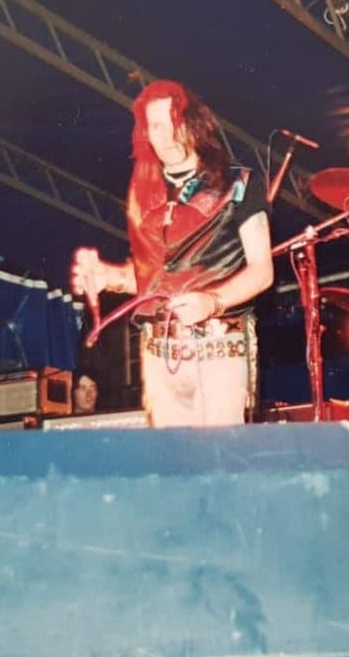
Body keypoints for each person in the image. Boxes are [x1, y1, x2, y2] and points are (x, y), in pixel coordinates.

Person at [70, 80, 273, 428]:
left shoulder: (239, 182)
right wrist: (110, 277)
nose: (165, 136)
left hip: (219, 344)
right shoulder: (143, 193)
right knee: (171, 453)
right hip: (159, 351)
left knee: (220, 452)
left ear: (193, 123)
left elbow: (261, 270)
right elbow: (153, 277)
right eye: (155, 126)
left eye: (172, 122)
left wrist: (213, 301)